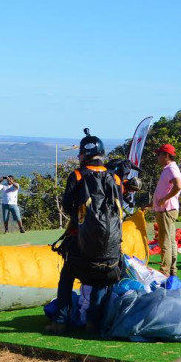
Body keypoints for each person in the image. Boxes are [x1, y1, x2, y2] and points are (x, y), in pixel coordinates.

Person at [46, 129, 123, 335]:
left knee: (67, 277)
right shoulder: (114, 178)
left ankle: (60, 322)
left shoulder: (78, 175)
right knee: (100, 280)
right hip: (111, 247)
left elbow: (67, 204)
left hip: (81, 242)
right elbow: (121, 208)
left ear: (84, 154)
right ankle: (92, 323)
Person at [152, 144, 181, 277]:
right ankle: (172, 270)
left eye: (159, 154)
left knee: (165, 241)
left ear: (166, 156)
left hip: (166, 210)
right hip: (166, 209)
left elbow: (178, 186)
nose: (158, 157)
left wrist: (164, 199)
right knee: (170, 241)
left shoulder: (171, 169)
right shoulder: (168, 168)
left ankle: (165, 271)